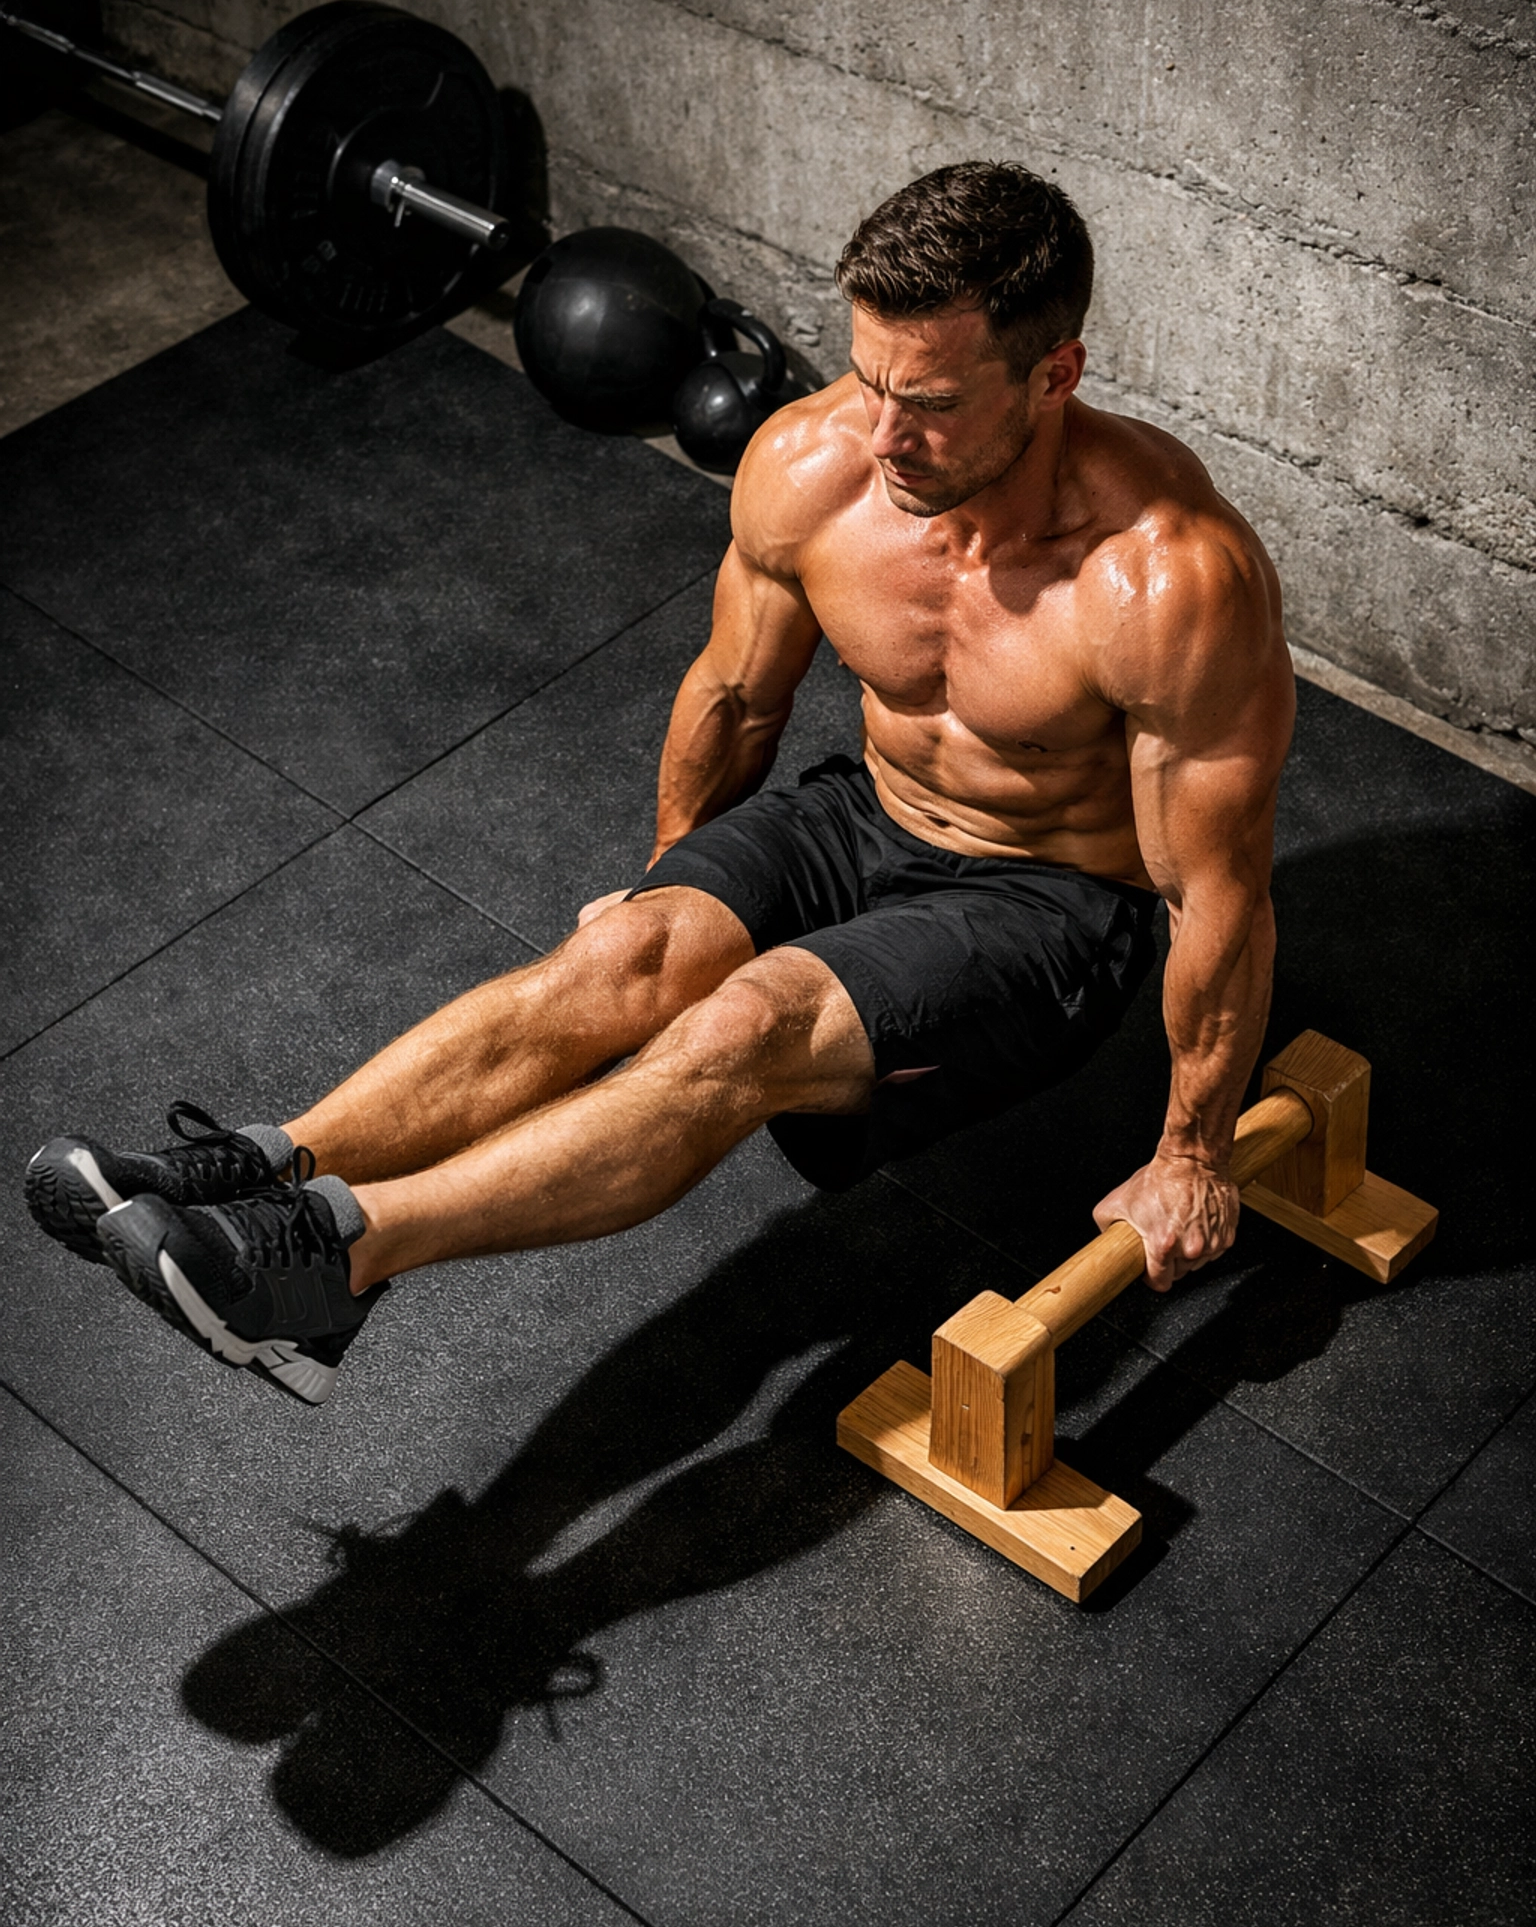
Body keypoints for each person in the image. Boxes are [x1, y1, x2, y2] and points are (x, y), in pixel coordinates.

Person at [25, 162, 1294, 1408]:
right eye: (870, 380)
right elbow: (737, 698)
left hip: (1051, 898)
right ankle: (244, 1171)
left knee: (744, 1025)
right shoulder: (818, 468)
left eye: (936, 404)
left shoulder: (1165, 581)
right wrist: (661, 889)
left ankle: (331, 1261)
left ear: (1054, 374)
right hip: (869, 809)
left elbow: (1212, 892)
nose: (887, 434)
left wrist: (1192, 1152)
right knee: (618, 965)